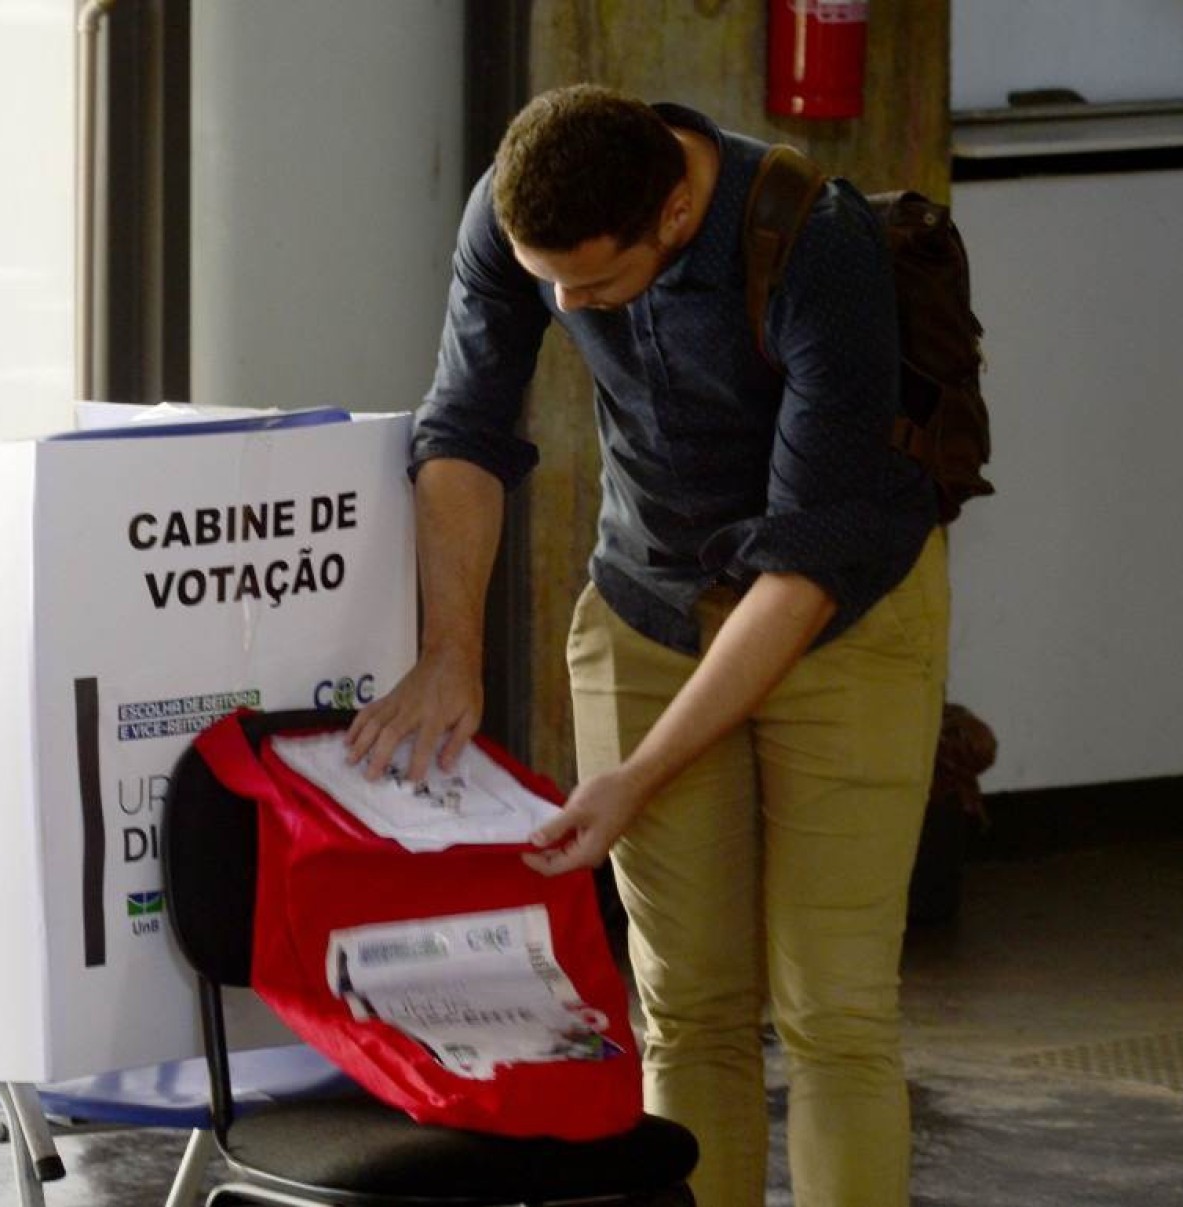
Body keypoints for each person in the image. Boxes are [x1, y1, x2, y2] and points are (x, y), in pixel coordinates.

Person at [346, 83, 949, 1207]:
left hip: (840, 620)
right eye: (547, 282)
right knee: (685, 1006)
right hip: (650, 604)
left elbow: (806, 566)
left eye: (594, 283)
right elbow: (466, 429)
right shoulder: (517, 214)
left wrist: (638, 775)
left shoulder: (820, 244)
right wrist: (451, 651)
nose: (568, 305)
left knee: (834, 1009)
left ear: (674, 214)